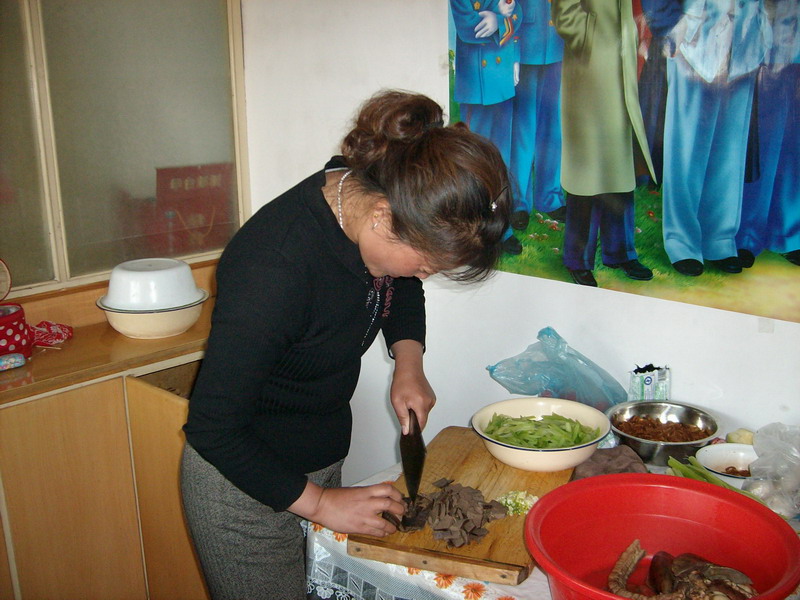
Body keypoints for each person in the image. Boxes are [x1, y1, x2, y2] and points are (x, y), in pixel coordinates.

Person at [180, 89, 512, 600]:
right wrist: (318, 503)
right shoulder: (272, 268)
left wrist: (408, 361)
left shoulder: (374, 189)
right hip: (245, 492)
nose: (424, 275)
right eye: (426, 263)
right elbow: (212, 426)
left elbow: (402, 284)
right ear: (383, 217)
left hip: (320, 462)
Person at [552, 0, 657, 287]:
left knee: (619, 164)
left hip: (623, 65)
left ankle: (620, 252)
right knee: (587, 171)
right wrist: (592, 39)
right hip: (590, 70)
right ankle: (578, 259)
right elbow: (566, 13)